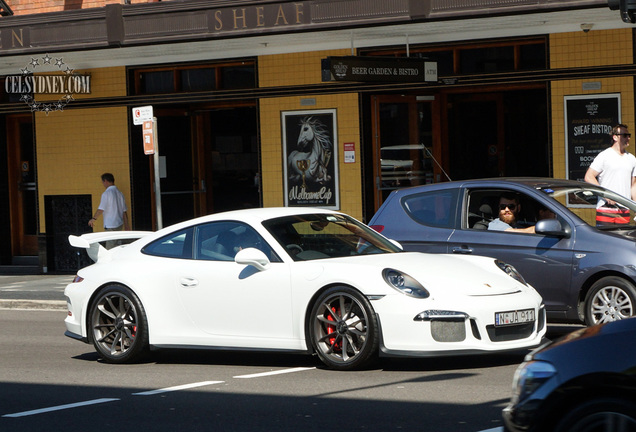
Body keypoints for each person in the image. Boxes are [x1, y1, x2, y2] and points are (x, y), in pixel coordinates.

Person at [584, 124, 636, 225]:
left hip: (624, 209)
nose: (628, 138)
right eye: (625, 135)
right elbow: (589, 176)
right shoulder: (604, 156)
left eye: (629, 135)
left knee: (623, 240)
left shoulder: (632, 159)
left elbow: (633, 186)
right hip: (605, 208)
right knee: (605, 240)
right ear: (615, 137)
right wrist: (606, 195)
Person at [88, 173, 130, 247]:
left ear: (106, 181)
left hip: (110, 225)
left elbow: (101, 209)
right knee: (117, 246)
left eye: (103, 182)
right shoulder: (120, 193)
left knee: (110, 248)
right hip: (119, 224)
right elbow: (124, 211)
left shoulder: (106, 194)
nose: (103, 184)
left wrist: (93, 219)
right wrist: (127, 225)